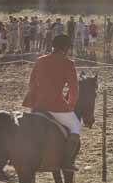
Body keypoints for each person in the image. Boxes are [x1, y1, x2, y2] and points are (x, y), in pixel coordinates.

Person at [22, 34, 81, 172]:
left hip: (38, 105)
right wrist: (70, 105)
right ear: (66, 48)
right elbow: (74, 89)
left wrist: (35, 100)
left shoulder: (40, 60)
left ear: (53, 46)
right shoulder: (68, 63)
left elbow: (32, 83)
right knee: (76, 126)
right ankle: (66, 161)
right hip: (56, 106)